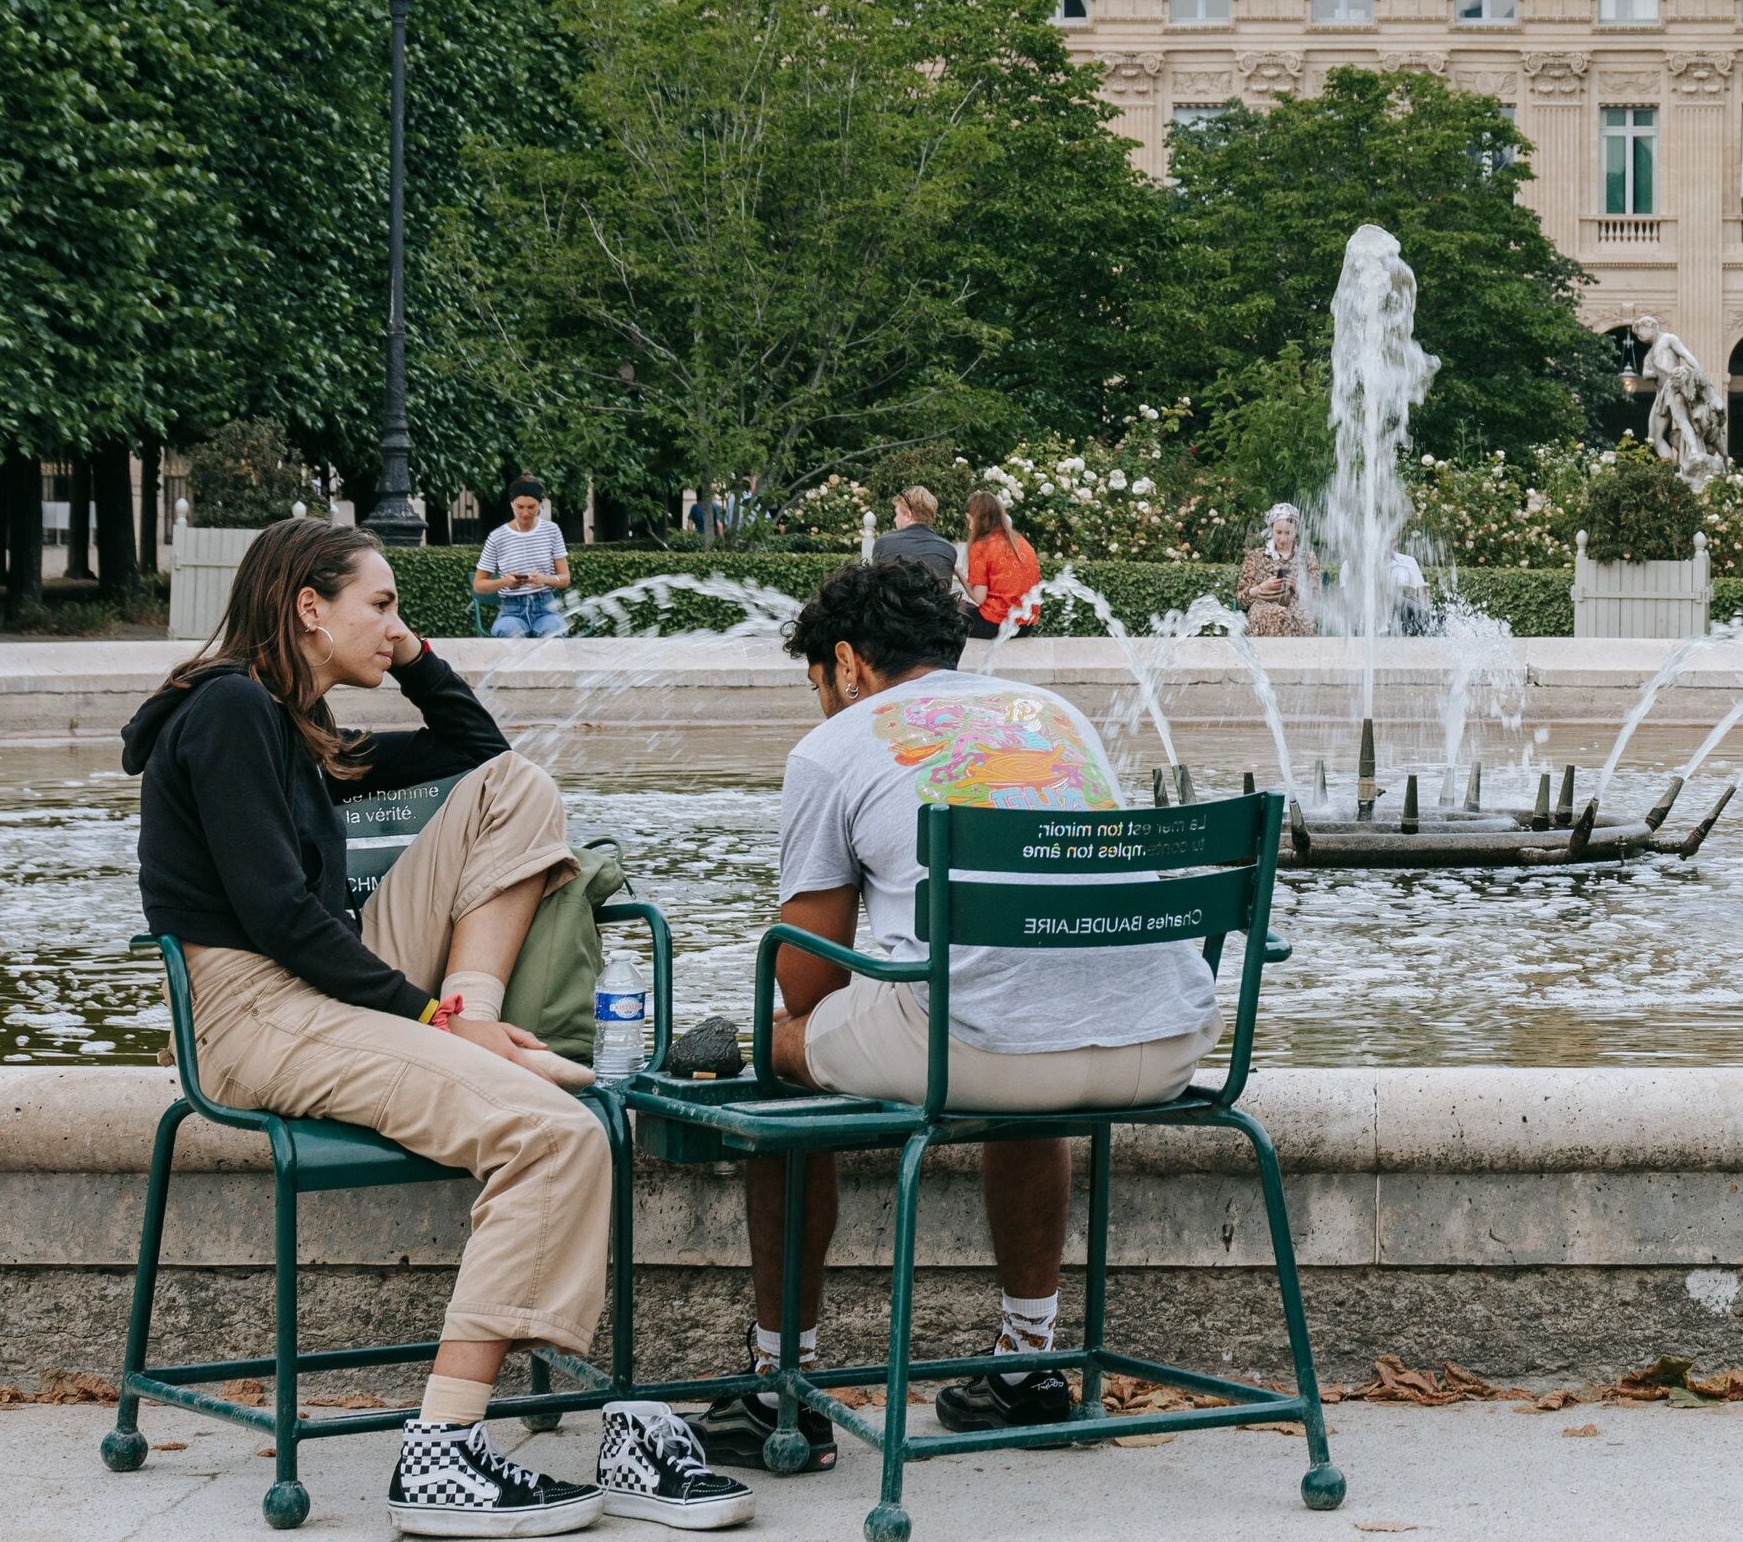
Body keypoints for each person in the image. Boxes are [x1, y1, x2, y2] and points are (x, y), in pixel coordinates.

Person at [122, 518, 750, 1536]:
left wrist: (409, 655)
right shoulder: (232, 711)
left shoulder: (294, 720)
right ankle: (446, 1449)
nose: (395, 623)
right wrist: (423, 1016)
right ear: (306, 607)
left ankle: (481, 1022)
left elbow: (479, 756)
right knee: (550, 1131)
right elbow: (276, 913)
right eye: (381, 605)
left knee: (520, 789)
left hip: (314, 982)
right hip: (255, 1007)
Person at [701, 558, 1217, 1463]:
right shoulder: (1054, 716)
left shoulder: (836, 745)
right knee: (1012, 1000)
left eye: (820, 680)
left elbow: (806, 984)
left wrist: (796, 1023)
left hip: (985, 1048)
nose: (823, 700)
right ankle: (1028, 1362)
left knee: (783, 1056)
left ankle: (780, 1385)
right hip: (1168, 1036)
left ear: (849, 664)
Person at [472, 480, 574, 639]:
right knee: (510, 632)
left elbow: (565, 578)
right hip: (511, 610)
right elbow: (479, 585)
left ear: (540, 504)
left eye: (531, 507)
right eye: (520, 507)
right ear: (512, 504)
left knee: (554, 633)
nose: (525, 513)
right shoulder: (497, 537)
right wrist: (505, 582)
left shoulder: (552, 531)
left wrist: (544, 579)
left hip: (545, 608)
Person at [961, 490, 1039, 636]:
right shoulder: (1021, 542)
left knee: (946, 613)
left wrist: (958, 573)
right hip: (1025, 626)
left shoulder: (981, 547)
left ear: (978, 519)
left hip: (996, 625)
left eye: (970, 520)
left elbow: (979, 597)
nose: (969, 527)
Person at [1238, 505, 1309, 638]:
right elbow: (1241, 598)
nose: (1283, 539)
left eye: (1288, 533)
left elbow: (1317, 599)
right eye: (1279, 532)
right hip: (1263, 609)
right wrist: (1262, 587)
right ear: (1271, 529)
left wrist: (1297, 586)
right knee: (1277, 616)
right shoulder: (1256, 556)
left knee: (1295, 618)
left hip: (1298, 610)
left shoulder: (1306, 557)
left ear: (1296, 531)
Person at [869, 486, 961, 589]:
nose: (895, 520)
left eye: (896, 514)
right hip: (933, 604)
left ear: (908, 515)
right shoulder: (948, 550)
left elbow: (875, 588)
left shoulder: (884, 543)